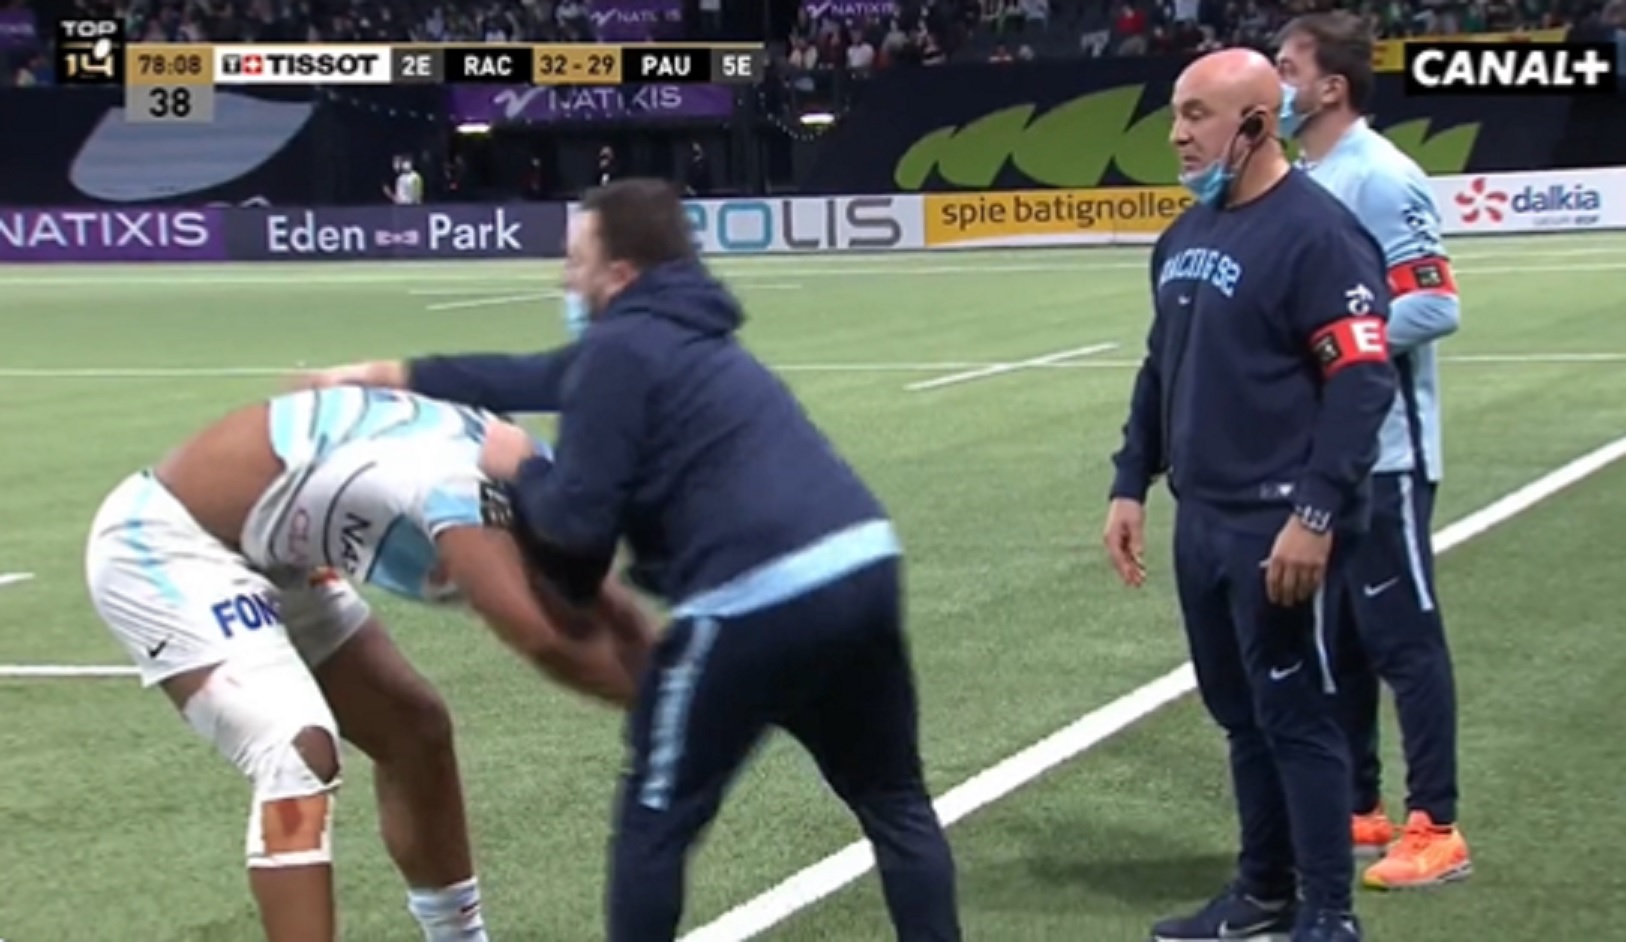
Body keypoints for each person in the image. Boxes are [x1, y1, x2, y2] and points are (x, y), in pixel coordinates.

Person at [301, 178, 962, 942]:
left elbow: (577, 532)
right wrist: (398, 377)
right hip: (863, 565)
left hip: (755, 599)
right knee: (894, 801)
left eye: (576, 260)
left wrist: (522, 467)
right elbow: (538, 377)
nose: (565, 277)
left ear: (618, 273)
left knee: (656, 820)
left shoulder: (619, 350)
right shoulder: (680, 335)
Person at [84, 386, 648, 942]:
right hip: (163, 544)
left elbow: (594, 596)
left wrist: (681, 679)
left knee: (415, 729)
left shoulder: (530, 468)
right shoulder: (454, 488)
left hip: (273, 547)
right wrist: (668, 708)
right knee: (297, 749)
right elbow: (537, 635)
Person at [1101, 49, 1397, 942]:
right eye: (1177, 114)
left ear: (1258, 124)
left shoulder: (1318, 235)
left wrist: (1315, 512)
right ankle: (1263, 893)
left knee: (1296, 714)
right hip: (1204, 518)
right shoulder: (1184, 237)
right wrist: (1130, 481)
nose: (1177, 134)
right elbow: (1162, 368)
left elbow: (1361, 382)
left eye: (1197, 114)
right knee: (1241, 715)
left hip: (1279, 521)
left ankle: (1328, 913)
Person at [1277, 11, 1471, 889]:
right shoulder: (1308, 179)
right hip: (1329, 454)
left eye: (1288, 69)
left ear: (1332, 87)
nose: (1277, 85)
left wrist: (1330, 346)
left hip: (1388, 452)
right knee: (1342, 640)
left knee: (1403, 637)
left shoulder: (1382, 176)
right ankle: (1362, 805)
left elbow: (1434, 304)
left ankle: (1438, 825)